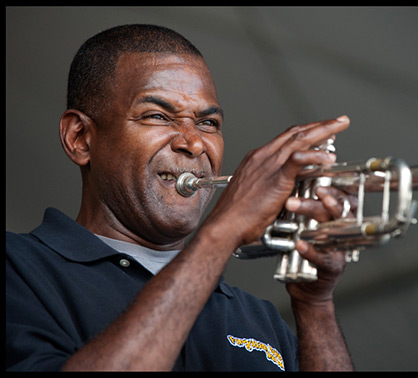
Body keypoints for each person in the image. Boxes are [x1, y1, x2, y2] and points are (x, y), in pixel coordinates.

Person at [6, 24, 354, 371]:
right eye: (157, 116)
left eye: (207, 123)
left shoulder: (260, 318)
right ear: (80, 138)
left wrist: (315, 305)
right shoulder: (19, 268)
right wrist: (224, 229)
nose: (194, 142)